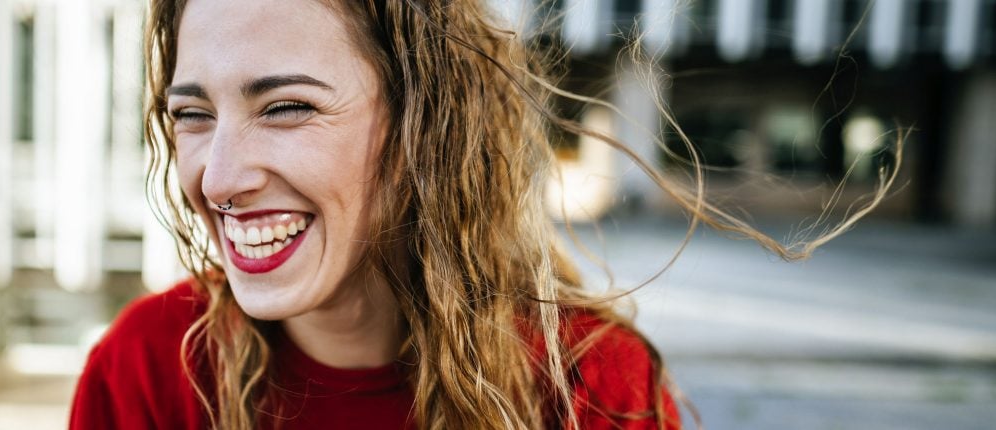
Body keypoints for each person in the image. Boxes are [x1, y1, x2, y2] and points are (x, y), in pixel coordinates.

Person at [70, 0, 897, 429]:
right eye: (192, 114)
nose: (217, 174)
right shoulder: (147, 372)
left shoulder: (588, 388)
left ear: (425, 126)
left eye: (285, 108)